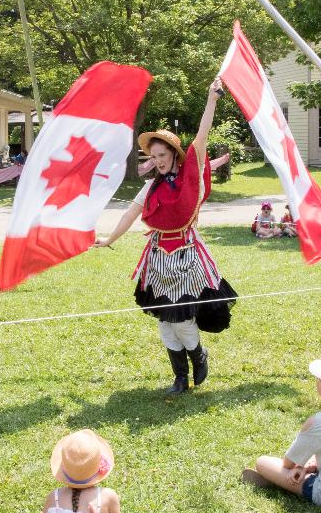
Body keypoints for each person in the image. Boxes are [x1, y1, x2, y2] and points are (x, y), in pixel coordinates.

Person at [94, 79, 237, 394]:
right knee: (163, 322)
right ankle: (180, 378)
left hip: (186, 257)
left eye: (162, 154)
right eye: (153, 156)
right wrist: (109, 239)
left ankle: (199, 355)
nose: (157, 160)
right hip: (157, 259)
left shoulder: (188, 178)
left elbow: (201, 137)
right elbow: (130, 214)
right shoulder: (151, 187)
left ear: (173, 153)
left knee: (183, 320)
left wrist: (211, 98)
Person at [241, 359, 321, 508]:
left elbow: (287, 463)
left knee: (262, 462)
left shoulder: (318, 422)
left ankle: (278, 483)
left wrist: (299, 466)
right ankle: (283, 481)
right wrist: (307, 465)